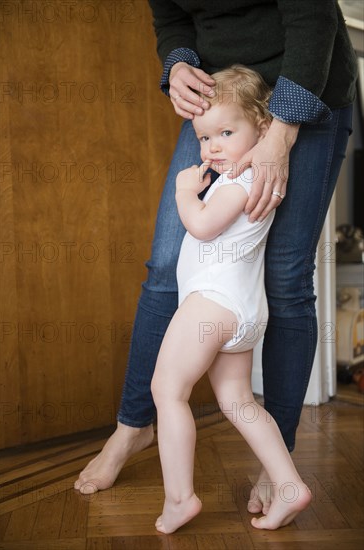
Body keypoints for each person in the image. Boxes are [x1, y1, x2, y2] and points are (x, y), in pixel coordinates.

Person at [75, 0, 357, 515]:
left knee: (287, 277)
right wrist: (178, 63)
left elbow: (313, 18)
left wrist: (282, 129)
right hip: (225, 97)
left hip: (306, 82)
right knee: (165, 269)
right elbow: (172, 20)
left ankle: (279, 461)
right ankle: (132, 428)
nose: (210, 149)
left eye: (217, 142)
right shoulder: (215, 135)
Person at [151, 64, 312, 534]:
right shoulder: (253, 178)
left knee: (167, 390)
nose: (212, 146)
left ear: (263, 128)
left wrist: (185, 193)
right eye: (204, 138)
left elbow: (201, 225)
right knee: (238, 401)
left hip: (212, 303)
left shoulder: (241, 181)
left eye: (225, 131)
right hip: (241, 310)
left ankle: (179, 498)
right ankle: (287, 485)